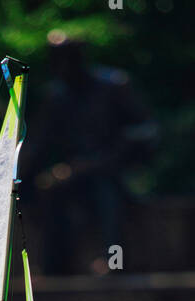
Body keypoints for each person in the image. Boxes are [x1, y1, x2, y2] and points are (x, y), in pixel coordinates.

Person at [19, 32, 158, 275]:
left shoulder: (114, 86)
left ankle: (113, 260)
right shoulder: (57, 96)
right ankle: (55, 266)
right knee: (49, 189)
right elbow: (37, 142)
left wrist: (105, 161)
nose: (62, 67)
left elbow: (145, 130)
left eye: (67, 59)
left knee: (106, 191)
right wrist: (14, 173)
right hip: (72, 172)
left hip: (114, 169)